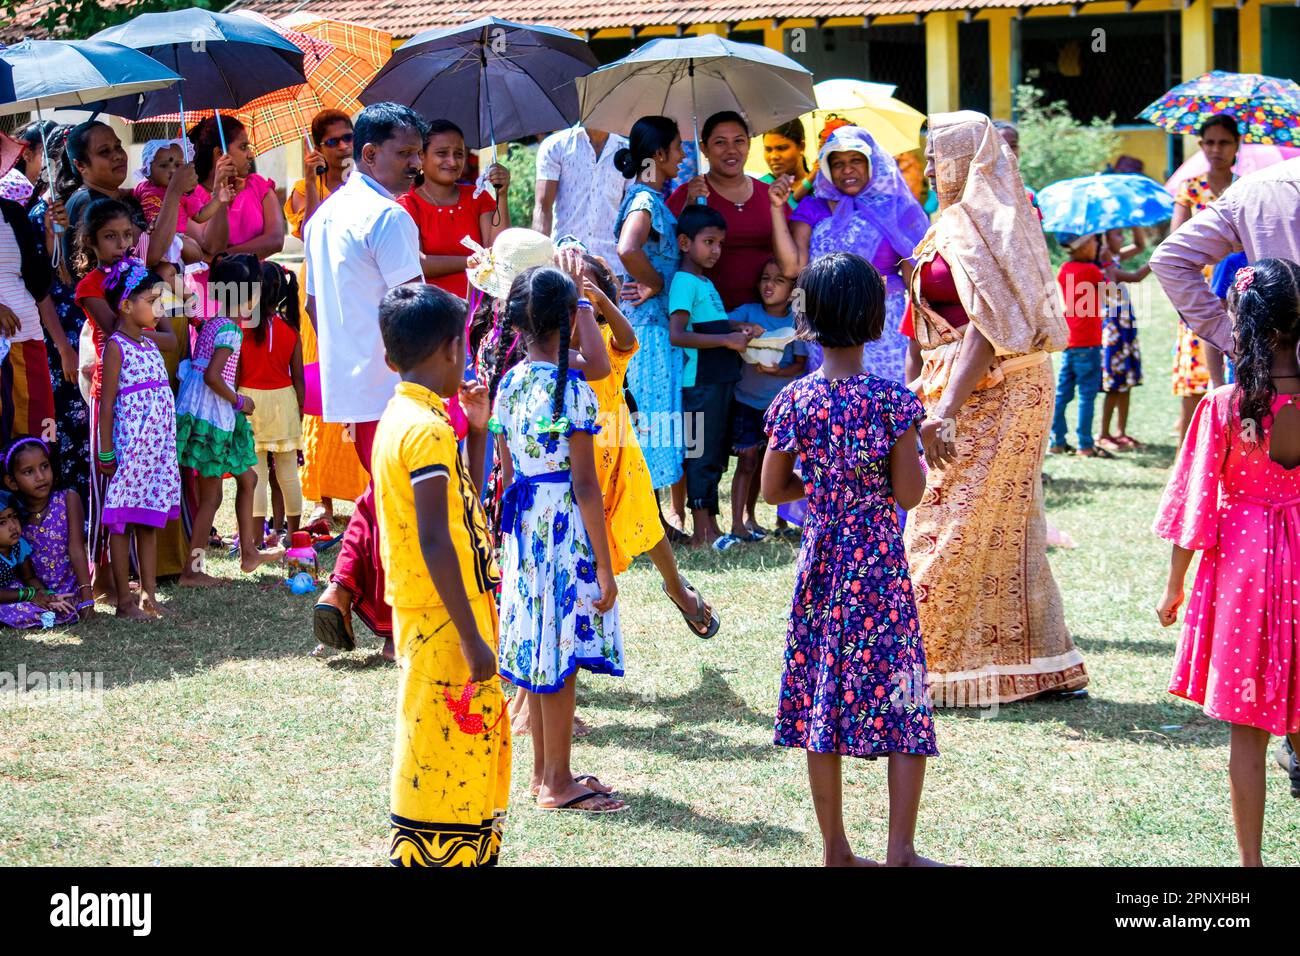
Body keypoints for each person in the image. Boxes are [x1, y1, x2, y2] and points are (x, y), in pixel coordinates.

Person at [759, 252, 937, 867]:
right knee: (905, 699)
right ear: (876, 317)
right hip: (880, 568)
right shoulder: (893, 403)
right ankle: (901, 852)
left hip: (822, 563)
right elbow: (909, 494)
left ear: (806, 319)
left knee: (821, 697)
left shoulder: (794, 401)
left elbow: (771, 490)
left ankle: (835, 849)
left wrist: (828, 486)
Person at [905, 111, 1086, 706]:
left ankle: (919, 663)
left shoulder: (986, 225)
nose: (929, 167)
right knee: (1002, 524)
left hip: (1002, 387)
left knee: (949, 518)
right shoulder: (952, 223)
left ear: (964, 160)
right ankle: (1040, 664)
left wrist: (946, 409)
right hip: (961, 383)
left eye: (937, 156)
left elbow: (990, 327)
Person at [1154, 258, 1300, 865]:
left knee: (1248, 727)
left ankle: (1251, 865)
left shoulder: (1224, 405)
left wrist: (1173, 588)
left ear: (1247, 326)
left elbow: (1193, 507)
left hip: (1243, 568)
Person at [371, 283, 510, 866]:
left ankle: (463, 850)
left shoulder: (415, 416)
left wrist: (476, 432)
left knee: (461, 735)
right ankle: (435, 855)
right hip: (444, 616)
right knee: (441, 738)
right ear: (454, 349)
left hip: (443, 608)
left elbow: (460, 506)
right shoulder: (424, 429)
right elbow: (433, 539)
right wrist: (473, 636)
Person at [492, 265, 626, 814]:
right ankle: (557, 784)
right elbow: (587, 487)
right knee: (562, 655)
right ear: (568, 320)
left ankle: (546, 774)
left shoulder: (510, 382)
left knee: (541, 651)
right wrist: (604, 565)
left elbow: (504, 468)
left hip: (525, 530)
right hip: (564, 530)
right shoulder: (570, 392)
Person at [307, 102, 425, 661]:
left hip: (352, 385)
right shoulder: (388, 217)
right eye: (405, 154)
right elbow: (415, 310)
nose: (416, 165)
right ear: (370, 153)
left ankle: (344, 587)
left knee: (386, 497)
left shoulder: (323, 216)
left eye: (417, 154)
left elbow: (312, 305)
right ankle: (388, 619)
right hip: (396, 382)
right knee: (403, 503)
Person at [571, 251, 718, 637]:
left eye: (587, 286)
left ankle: (675, 587)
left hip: (618, 449)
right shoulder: (557, 344)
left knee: (647, 522)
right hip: (577, 453)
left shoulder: (603, 339)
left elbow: (628, 338)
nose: (577, 293)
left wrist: (596, 301)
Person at [771, 125, 930, 385]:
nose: (847, 170)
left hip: (884, 325)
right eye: (838, 163)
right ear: (826, 169)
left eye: (856, 160)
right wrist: (777, 209)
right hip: (826, 322)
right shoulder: (814, 206)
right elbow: (792, 268)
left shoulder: (895, 207)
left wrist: (921, 336)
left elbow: (917, 279)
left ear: (872, 162)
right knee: (834, 407)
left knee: (884, 403)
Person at [174, 254, 282, 586]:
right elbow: (212, 376)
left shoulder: (214, 321)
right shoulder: (231, 331)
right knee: (211, 498)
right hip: (214, 413)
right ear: (248, 294)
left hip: (215, 413)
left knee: (247, 479)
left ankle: (249, 553)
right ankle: (192, 571)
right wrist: (240, 400)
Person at [285, 110, 368, 527]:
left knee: (357, 375)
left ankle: (364, 490)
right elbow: (309, 232)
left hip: (355, 282)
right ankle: (321, 498)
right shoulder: (304, 188)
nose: (342, 147)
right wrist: (313, 178)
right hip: (316, 284)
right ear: (318, 146)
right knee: (321, 383)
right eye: (333, 141)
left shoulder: (364, 184)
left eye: (348, 138)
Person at [667, 204, 763, 548]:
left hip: (720, 380)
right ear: (683, 243)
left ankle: (711, 525)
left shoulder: (704, 282)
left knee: (716, 453)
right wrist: (726, 339)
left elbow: (708, 322)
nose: (716, 250)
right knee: (701, 453)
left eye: (719, 243)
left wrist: (737, 327)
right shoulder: (684, 281)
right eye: (709, 242)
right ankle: (700, 530)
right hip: (700, 383)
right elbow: (678, 334)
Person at [97, 260, 180, 619]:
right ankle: (124, 603)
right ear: (126, 305)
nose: (158, 307)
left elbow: (172, 342)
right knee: (121, 522)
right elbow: (108, 403)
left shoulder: (148, 343)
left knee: (147, 521)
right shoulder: (116, 346)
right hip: (132, 448)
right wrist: (106, 450)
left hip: (157, 450)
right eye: (151, 300)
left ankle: (150, 596)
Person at [614, 116, 687, 498]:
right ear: (659, 154)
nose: (682, 155)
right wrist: (655, 282)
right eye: (677, 148)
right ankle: (651, 516)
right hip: (648, 330)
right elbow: (628, 248)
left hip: (654, 327)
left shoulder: (652, 197)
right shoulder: (644, 200)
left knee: (657, 418)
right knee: (652, 421)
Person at [667, 111, 785, 312]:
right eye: (720, 142)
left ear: (748, 145)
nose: (731, 150)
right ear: (703, 148)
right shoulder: (689, 193)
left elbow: (790, 251)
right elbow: (668, 248)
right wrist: (689, 204)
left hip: (767, 316)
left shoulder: (770, 194)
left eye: (739, 141)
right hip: (706, 315)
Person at [724, 257, 806, 546]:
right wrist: (744, 327)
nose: (769, 284)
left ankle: (774, 520)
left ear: (793, 289)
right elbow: (721, 320)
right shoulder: (749, 311)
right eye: (764, 278)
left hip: (780, 406)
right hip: (746, 401)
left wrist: (778, 372)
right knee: (746, 461)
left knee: (771, 463)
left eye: (778, 280)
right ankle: (737, 523)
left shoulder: (796, 322)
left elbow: (799, 364)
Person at [1168, 113, 1239, 444]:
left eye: (1224, 142)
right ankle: (1187, 459)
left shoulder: (1245, 188)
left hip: (1239, 294)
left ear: (1237, 145)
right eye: (1209, 142)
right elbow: (1175, 245)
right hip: (1199, 295)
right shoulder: (1190, 189)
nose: (1216, 149)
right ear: (1200, 146)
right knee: (1196, 384)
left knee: (1237, 375)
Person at [398, 119, 509, 299]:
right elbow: (417, 262)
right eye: (442, 153)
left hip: (479, 312)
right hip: (434, 311)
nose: (452, 161)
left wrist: (501, 196)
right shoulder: (408, 204)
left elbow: (498, 251)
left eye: (458, 154)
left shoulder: (477, 197)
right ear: (421, 156)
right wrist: (469, 261)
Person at [237, 261, 304, 539]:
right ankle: (294, 534)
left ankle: (255, 539)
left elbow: (237, 373)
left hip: (250, 401)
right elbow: (299, 378)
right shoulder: (291, 330)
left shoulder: (242, 328)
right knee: (288, 474)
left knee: (257, 475)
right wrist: (298, 411)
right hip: (285, 402)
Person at [5, 436, 93, 621]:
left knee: (62, 610)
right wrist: (41, 595)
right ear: (12, 482)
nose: (40, 476)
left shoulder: (68, 499)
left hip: (69, 593)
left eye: (44, 466)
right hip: (36, 594)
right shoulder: (13, 517)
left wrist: (87, 602)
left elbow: (77, 549)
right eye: (29, 472)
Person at [533, 123, 628, 269]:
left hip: (612, 266)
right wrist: (538, 265)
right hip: (564, 263)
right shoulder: (556, 146)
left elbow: (629, 213)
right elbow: (543, 207)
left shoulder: (627, 152)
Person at [188, 115, 283, 260]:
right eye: (243, 147)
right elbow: (212, 246)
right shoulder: (190, 196)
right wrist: (219, 196)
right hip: (207, 283)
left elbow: (275, 240)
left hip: (255, 281)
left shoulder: (258, 187)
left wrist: (223, 258)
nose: (251, 155)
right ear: (220, 153)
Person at [1049, 233, 1109, 458]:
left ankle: (1057, 440)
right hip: (1089, 342)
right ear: (1083, 246)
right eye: (1095, 241)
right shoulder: (1092, 271)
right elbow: (1110, 295)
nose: (1097, 246)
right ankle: (1085, 443)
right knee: (1086, 395)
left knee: (1062, 394)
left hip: (1069, 341)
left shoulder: (1064, 269)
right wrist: (1106, 266)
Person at [1097, 228, 1149, 452]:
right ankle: (1104, 433)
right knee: (1114, 384)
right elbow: (1136, 277)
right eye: (1118, 234)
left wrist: (1135, 223)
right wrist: (1161, 258)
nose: (1123, 238)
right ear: (1105, 241)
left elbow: (1139, 246)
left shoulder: (1114, 259)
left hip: (1125, 327)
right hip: (1113, 329)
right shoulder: (1101, 266)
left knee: (1126, 381)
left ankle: (1121, 432)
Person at [0, 489, 77, 628]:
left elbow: (29, 578)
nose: (12, 526)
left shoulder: (19, 545)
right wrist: (29, 594)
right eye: (2, 523)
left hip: (14, 591)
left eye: (14, 517)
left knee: (40, 606)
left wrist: (48, 595)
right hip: (7, 594)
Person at [760, 119, 812, 210]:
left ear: (801, 147)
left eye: (781, 148)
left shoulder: (822, 187)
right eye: (768, 149)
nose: (773, 156)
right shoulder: (759, 189)